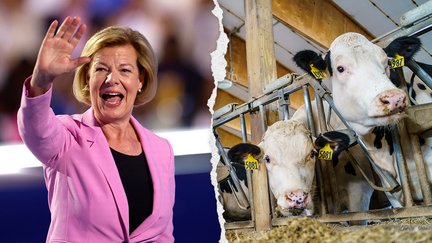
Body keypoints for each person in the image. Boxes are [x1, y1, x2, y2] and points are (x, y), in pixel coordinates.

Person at [17, 16, 175, 243]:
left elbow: (163, 235)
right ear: (87, 78)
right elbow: (35, 129)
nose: (112, 79)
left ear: (140, 79)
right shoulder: (67, 136)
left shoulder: (162, 150)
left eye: (125, 70)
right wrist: (41, 80)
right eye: (101, 69)